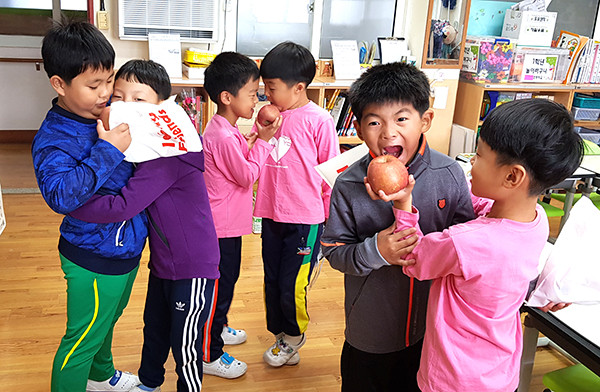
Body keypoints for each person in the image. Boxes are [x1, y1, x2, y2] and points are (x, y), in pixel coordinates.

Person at [379, 98, 584, 392]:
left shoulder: (465, 243)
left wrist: (404, 205)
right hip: (499, 373)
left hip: (452, 378)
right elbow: (490, 210)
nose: (471, 164)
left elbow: (413, 258)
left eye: (479, 155)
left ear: (512, 176)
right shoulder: (536, 219)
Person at [320, 62, 475, 392]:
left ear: (426, 120)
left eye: (402, 119)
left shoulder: (449, 175)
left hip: (433, 332)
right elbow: (333, 252)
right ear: (360, 130)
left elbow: (469, 244)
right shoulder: (348, 183)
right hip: (369, 334)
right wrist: (376, 251)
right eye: (375, 122)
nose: (388, 132)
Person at [69, 59, 220, 392]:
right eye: (119, 97)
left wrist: (73, 203)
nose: (126, 107)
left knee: (184, 344)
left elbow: (123, 206)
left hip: (192, 268)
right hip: (164, 264)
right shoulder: (145, 153)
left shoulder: (168, 158)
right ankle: (149, 384)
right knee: (154, 328)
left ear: (162, 108)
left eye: (139, 100)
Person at [32, 21, 146, 392]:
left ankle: (101, 376)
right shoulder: (54, 137)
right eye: (93, 85)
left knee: (108, 320)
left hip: (125, 247)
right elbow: (61, 195)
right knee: (80, 340)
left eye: (109, 80)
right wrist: (108, 150)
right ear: (60, 84)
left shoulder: (113, 112)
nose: (105, 93)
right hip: (90, 255)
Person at [255, 41, 340, 366]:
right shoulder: (270, 117)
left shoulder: (318, 120)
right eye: (265, 87)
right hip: (272, 215)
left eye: (272, 88)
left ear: (299, 87)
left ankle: (294, 335)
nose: (266, 94)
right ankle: (280, 333)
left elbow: (331, 173)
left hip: (305, 219)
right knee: (272, 277)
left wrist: (330, 224)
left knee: (294, 281)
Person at [201, 52, 280, 378]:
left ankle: (218, 328)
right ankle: (209, 353)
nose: (257, 99)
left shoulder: (226, 129)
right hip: (220, 228)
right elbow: (247, 176)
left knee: (227, 283)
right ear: (227, 97)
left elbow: (234, 163)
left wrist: (249, 142)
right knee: (219, 288)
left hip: (228, 226)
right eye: (252, 93)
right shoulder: (221, 135)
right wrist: (262, 142)